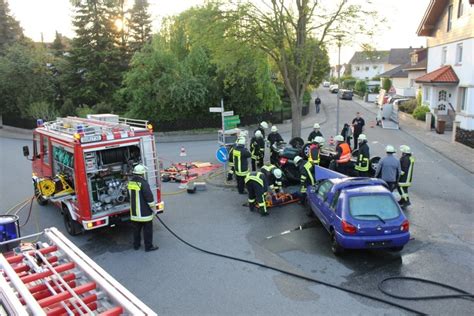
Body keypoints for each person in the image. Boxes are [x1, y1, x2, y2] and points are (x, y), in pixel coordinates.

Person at [127, 164, 159, 252]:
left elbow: (128, 196)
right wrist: (154, 209)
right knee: (147, 230)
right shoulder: (144, 183)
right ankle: (148, 247)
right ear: (142, 174)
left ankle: (136, 245)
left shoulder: (130, 182)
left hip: (134, 213)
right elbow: (149, 198)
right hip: (144, 213)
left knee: (136, 230)